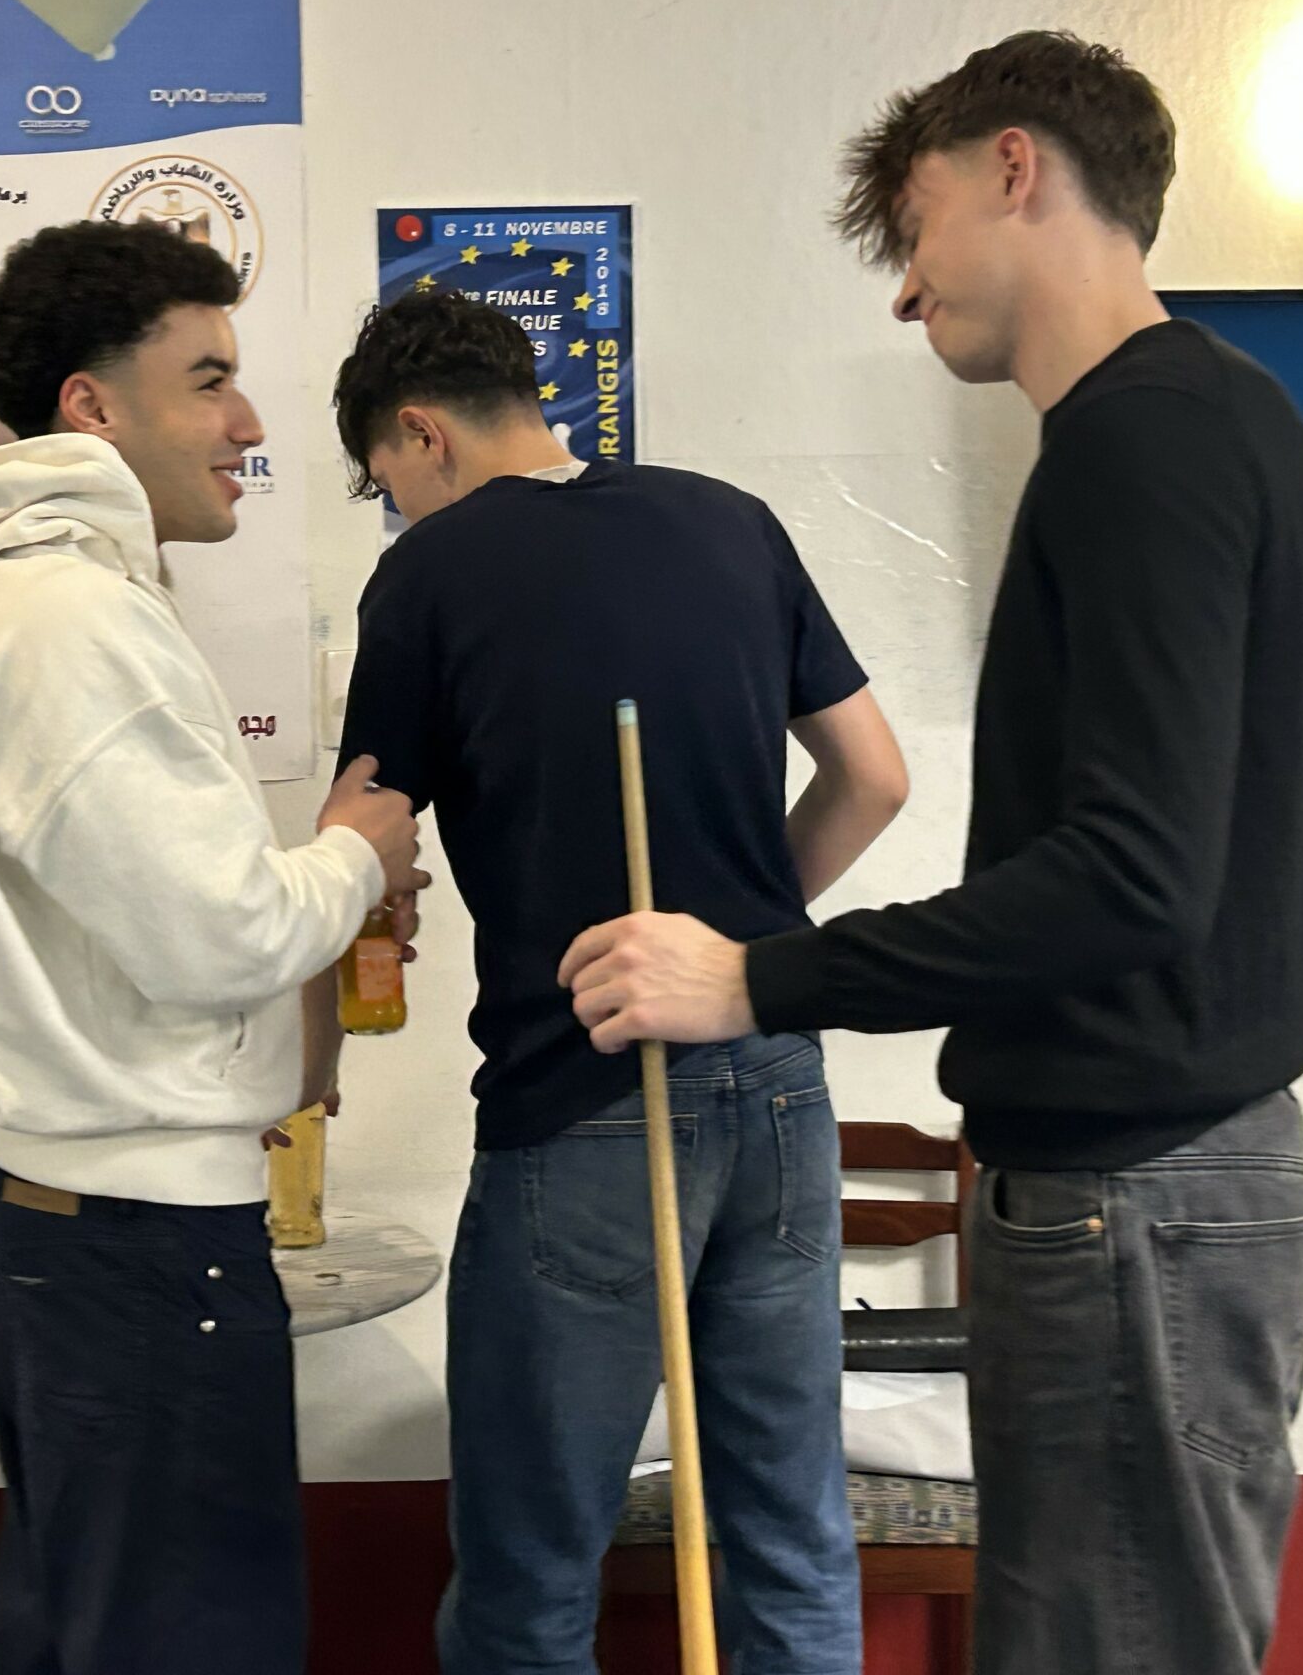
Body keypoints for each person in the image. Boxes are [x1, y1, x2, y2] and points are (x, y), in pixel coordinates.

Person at [560, 32, 1303, 1675]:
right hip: (1150, 1191)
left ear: (1014, 167)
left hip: (1141, 1198)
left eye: (914, 230)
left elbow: (1131, 878)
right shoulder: (1211, 417)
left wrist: (758, 980)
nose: (906, 293)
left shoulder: (1151, 436)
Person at [0, 219, 427, 1675]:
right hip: (133, 1240)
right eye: (209, 381)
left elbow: (155, 924)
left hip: (65, 1222)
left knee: (96, 1628)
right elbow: (217, 937)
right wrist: (352, 856)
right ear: (91, 407)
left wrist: (315, 904)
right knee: (186, 1639)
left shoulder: (4, 610)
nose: (250, 425)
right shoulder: (73, 621)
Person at [332, 289, 910, 1675]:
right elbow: (876, 777)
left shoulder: (429, 573)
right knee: (789, 1538)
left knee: (533, 1573)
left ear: (421, 432)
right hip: (778, 1088)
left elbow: (361, 839)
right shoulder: (731, 522)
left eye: (382, 482)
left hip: (579, 1096)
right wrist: (740, 958)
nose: (394, 512)